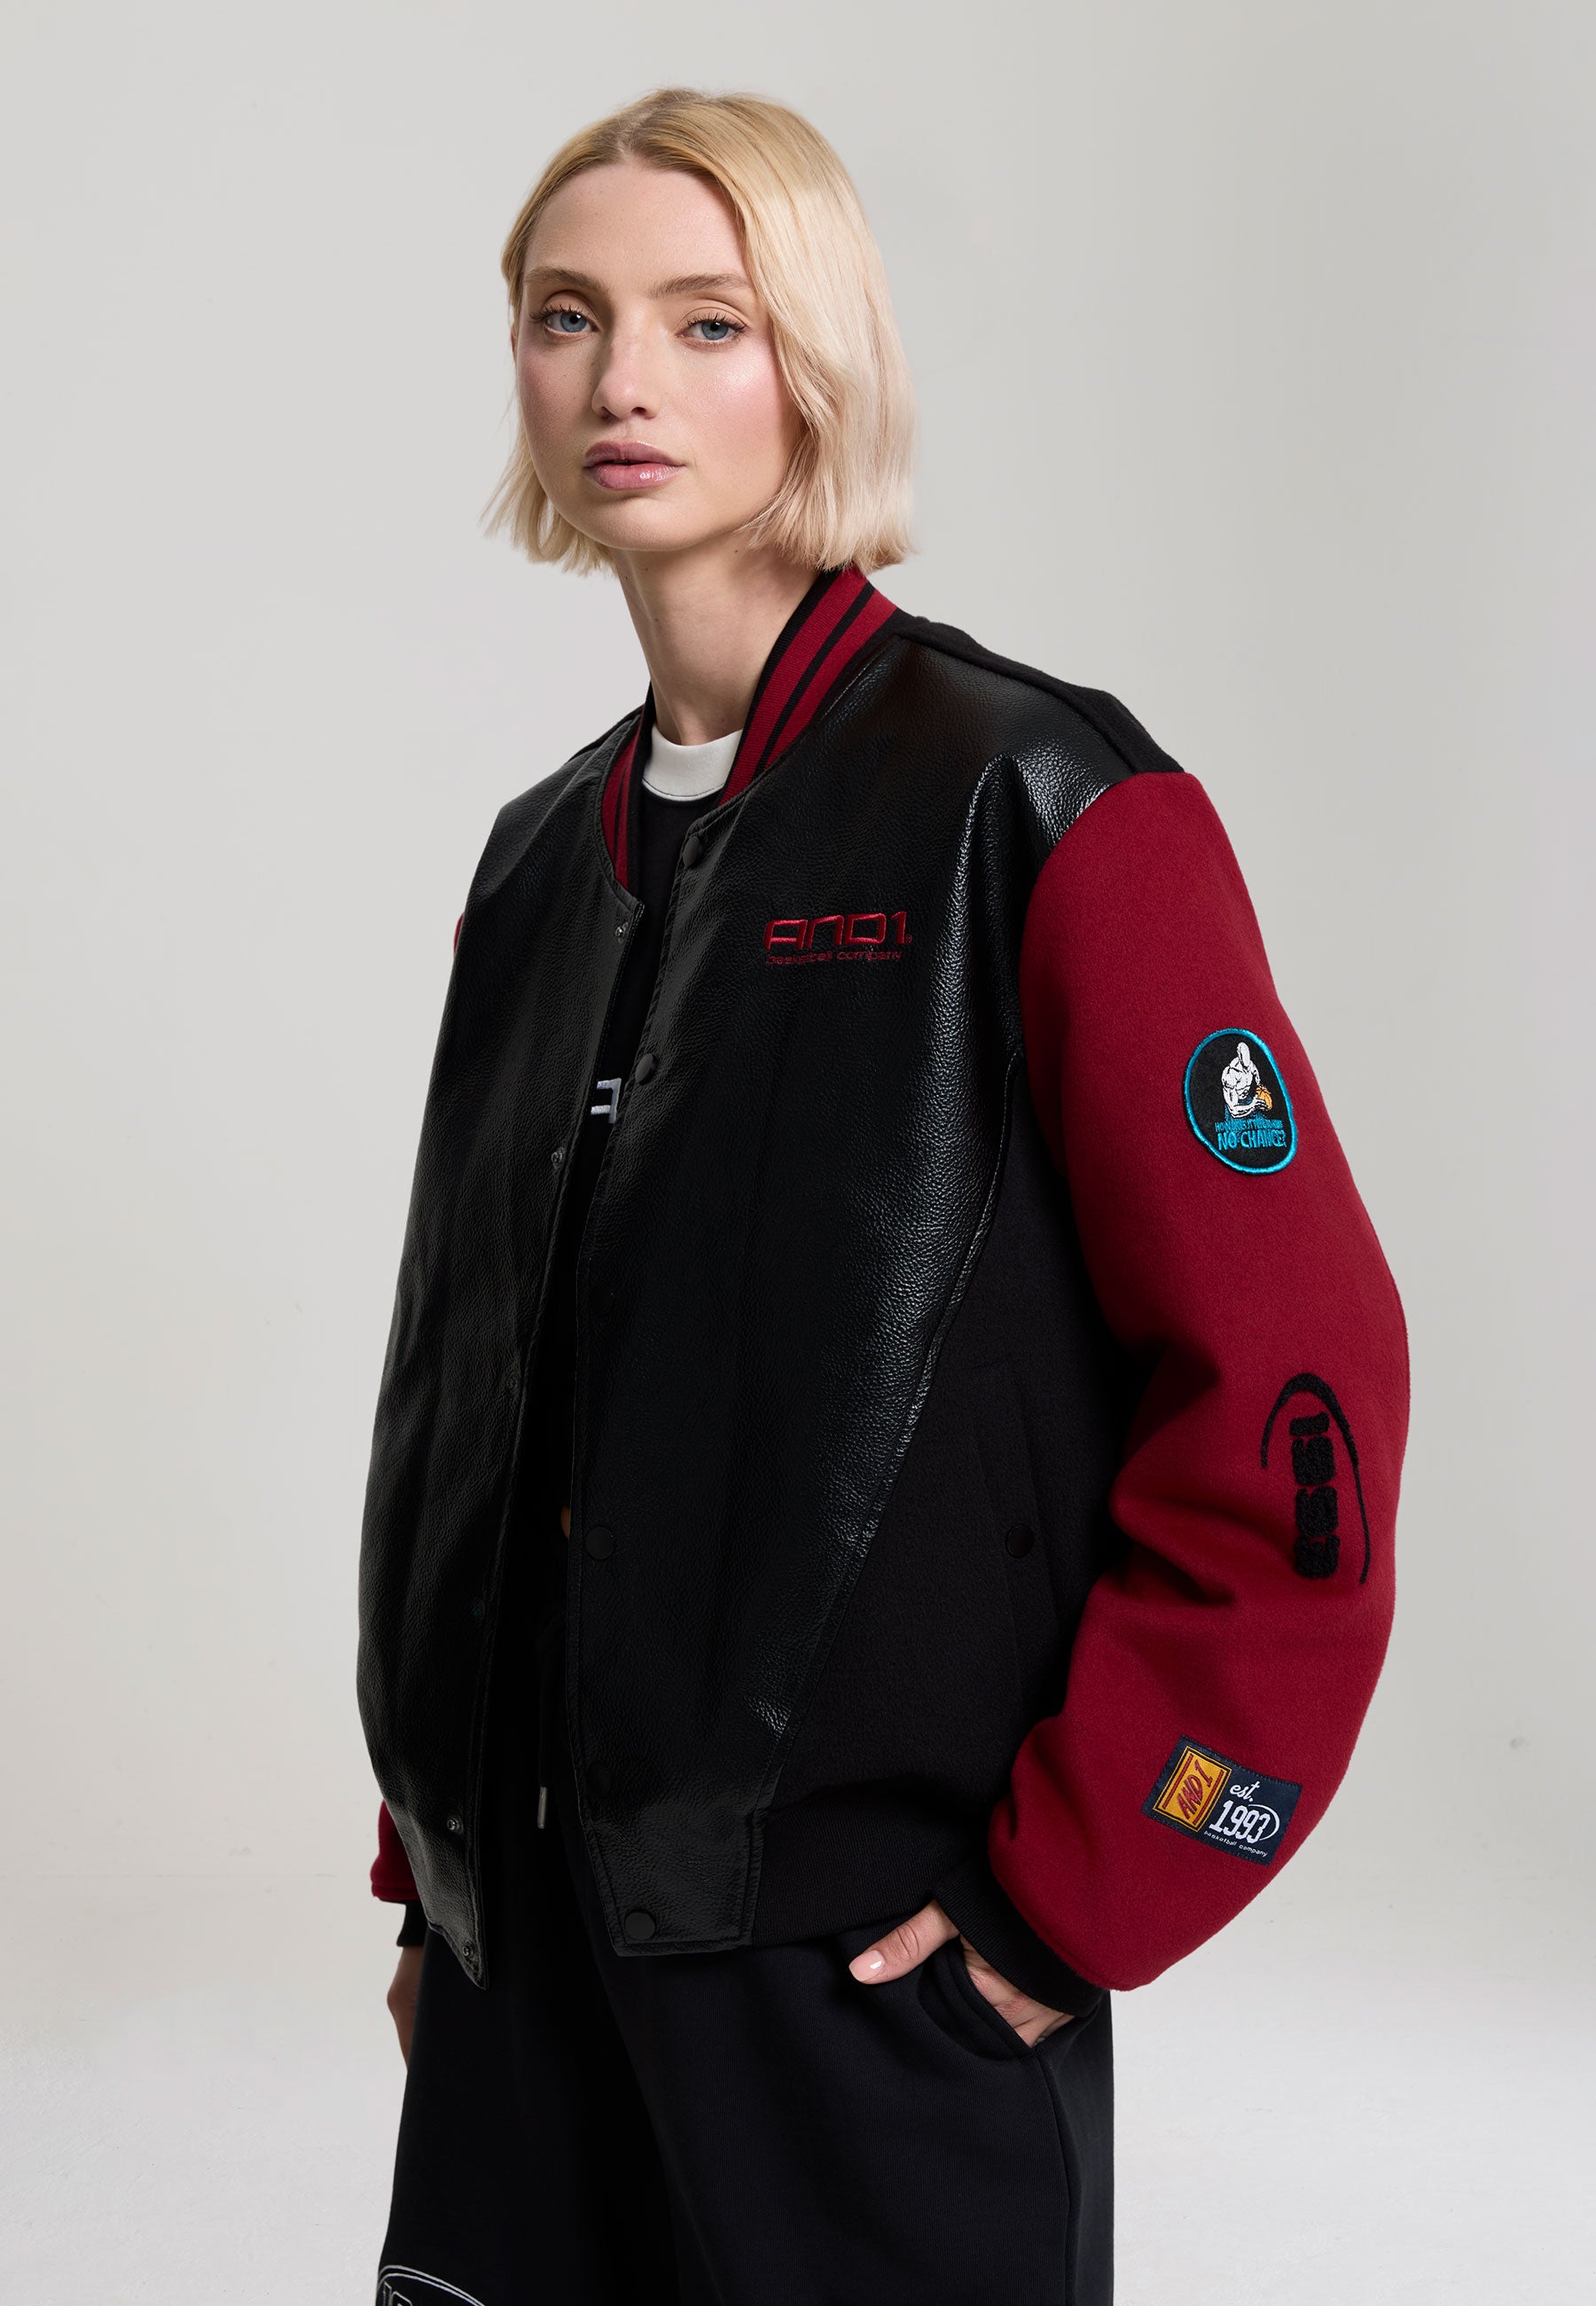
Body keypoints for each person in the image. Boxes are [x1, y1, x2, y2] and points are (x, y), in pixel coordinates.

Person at [356, 86, 1409, 2306]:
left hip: (867, 1990)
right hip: (521, 1977)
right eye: (567, 316)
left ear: (817, 360)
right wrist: (432, 1871)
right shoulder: (538, 866)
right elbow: (486, 1399)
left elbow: (1294, 1392)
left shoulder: (1043, 808)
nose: (623, 380)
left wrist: (1075, 1895)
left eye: (706, 320)